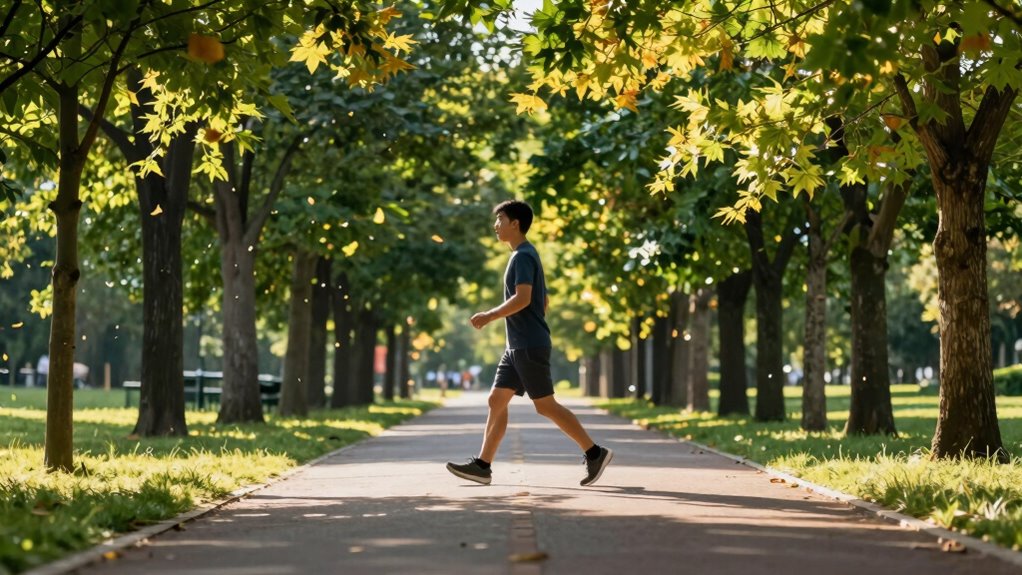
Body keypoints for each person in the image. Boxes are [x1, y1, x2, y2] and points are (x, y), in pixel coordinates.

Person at [446, 200, 613, 487]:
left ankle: (595, 452)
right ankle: (483, 466)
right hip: (518, 346)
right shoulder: (525, 255)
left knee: (545, 406)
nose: (496, 225)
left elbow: (524, 298)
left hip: (528, 345)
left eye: (500, 219)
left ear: (515, 223)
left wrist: (490, 315)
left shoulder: (522, 256)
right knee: (496, 400)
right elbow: (542, 301)